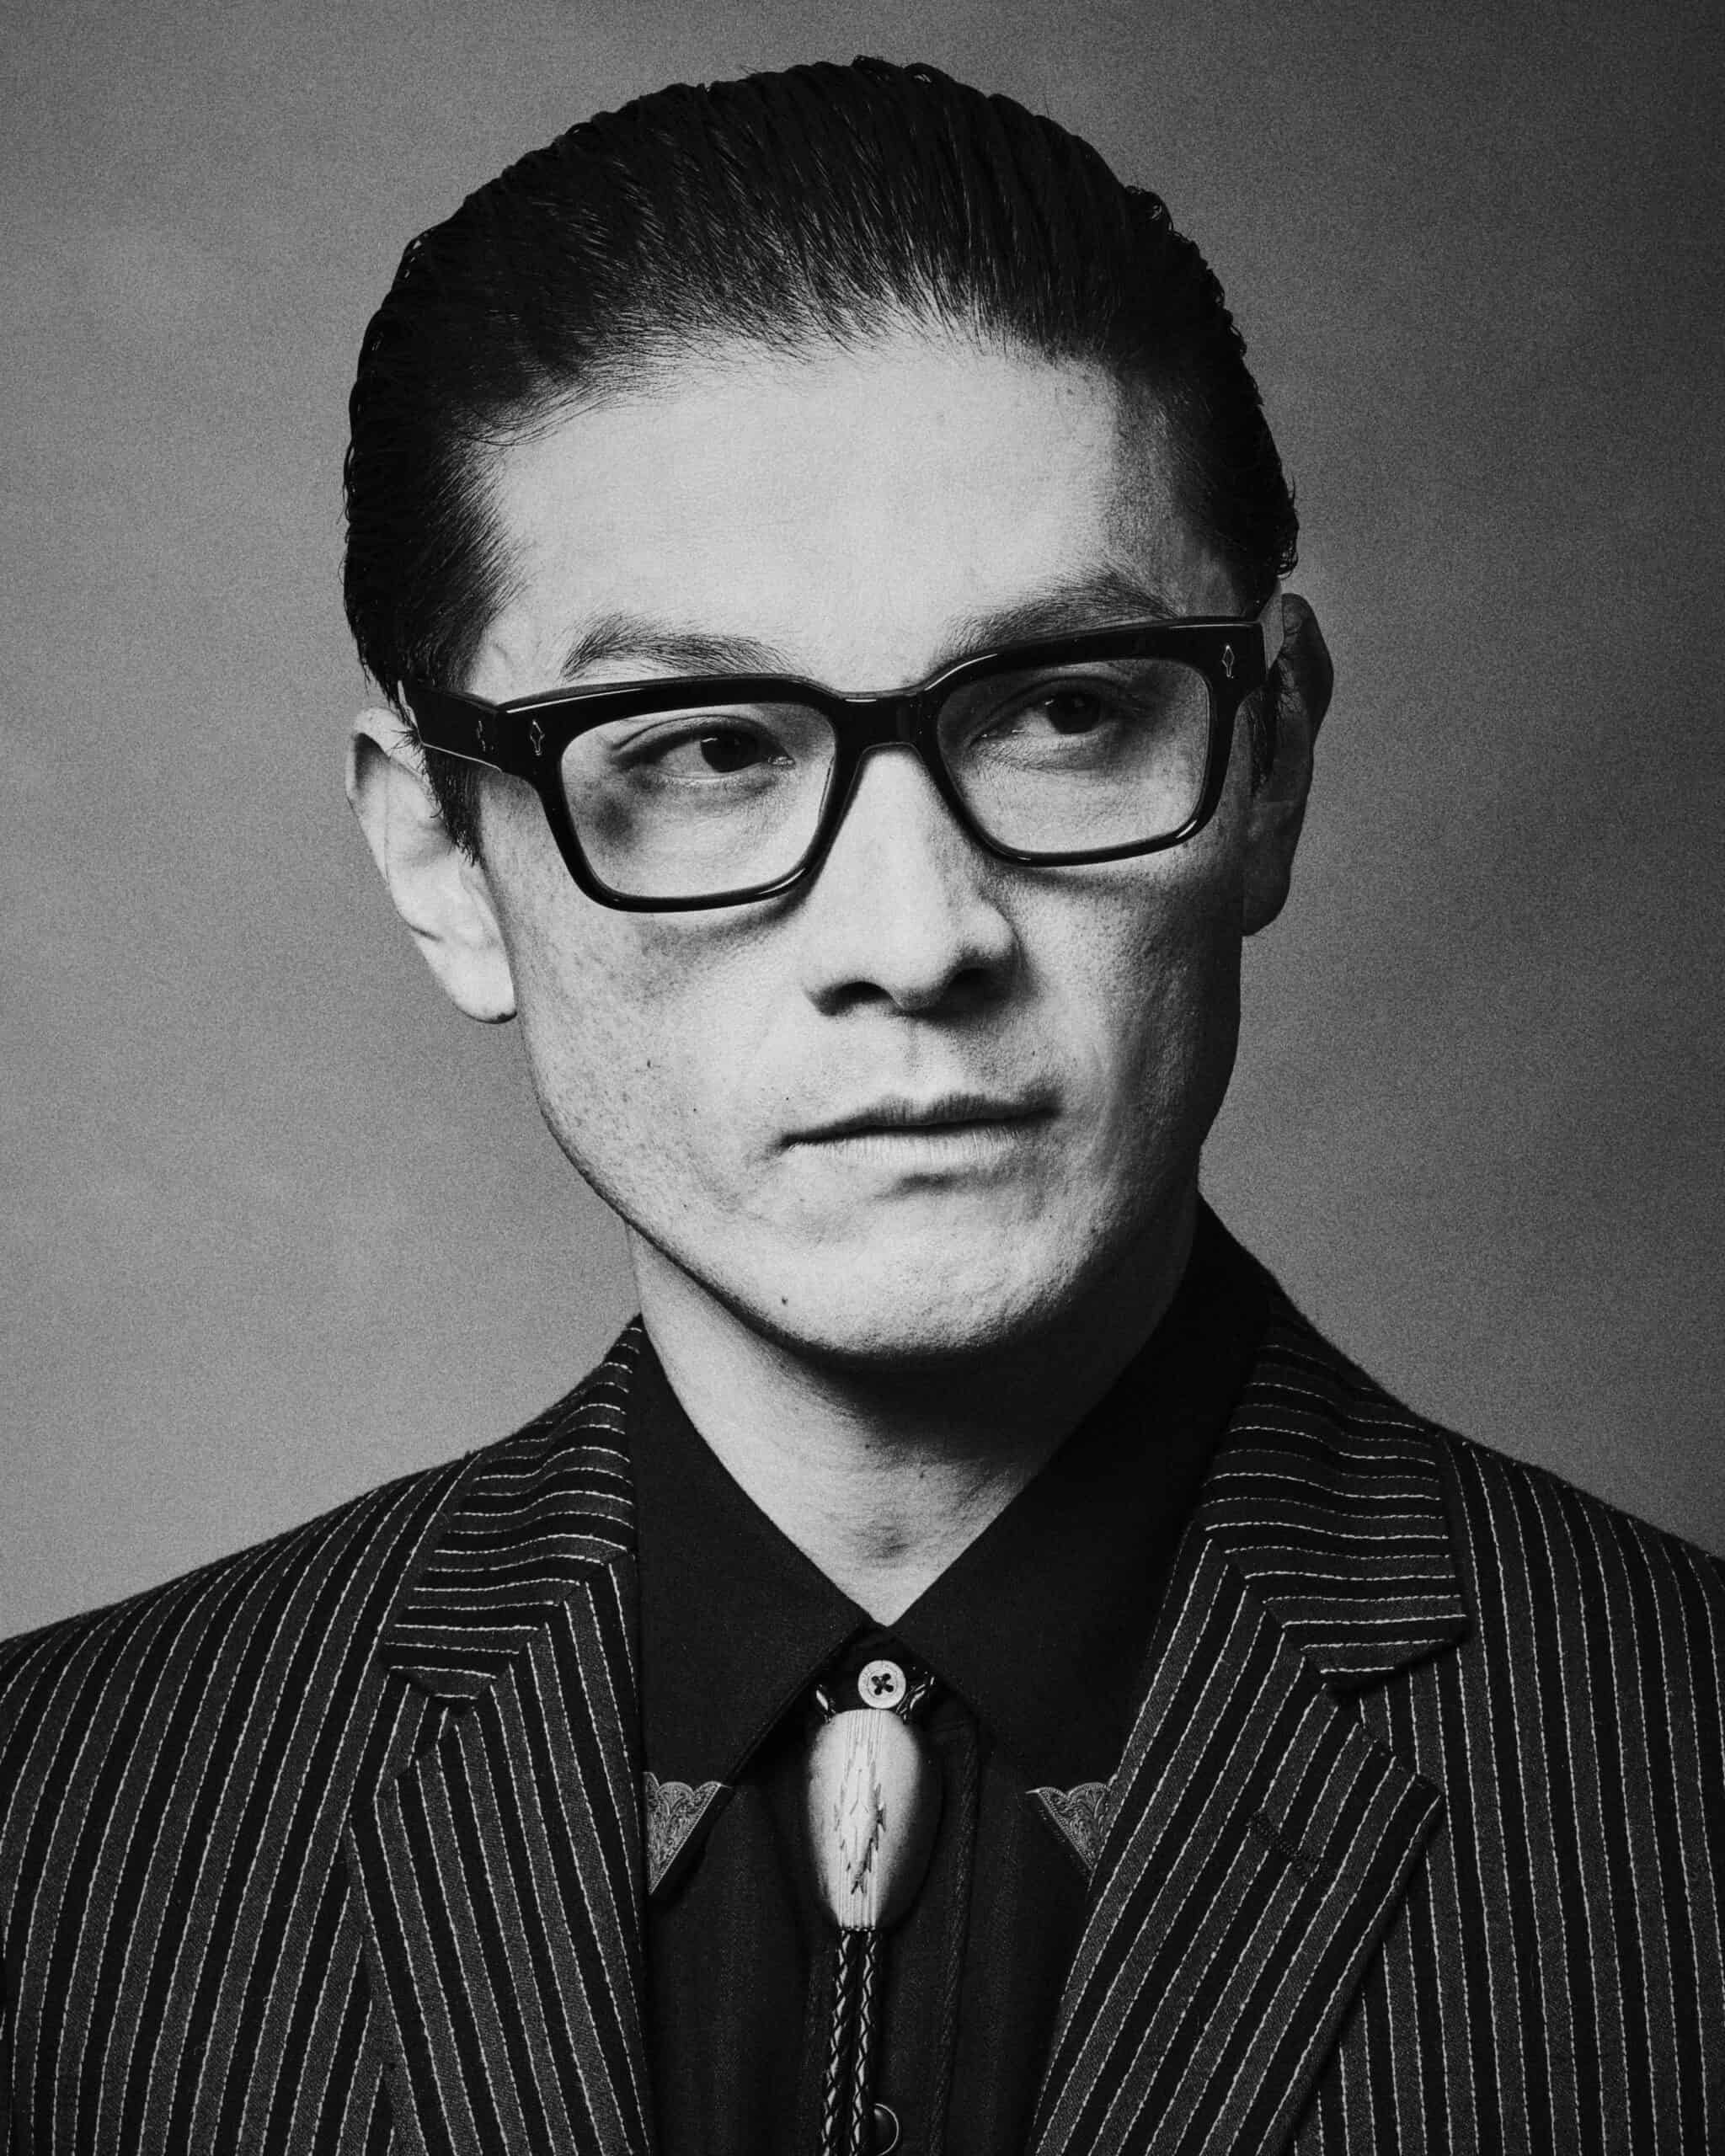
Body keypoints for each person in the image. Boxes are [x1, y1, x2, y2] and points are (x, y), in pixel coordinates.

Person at [2, 56, 1719, 2156]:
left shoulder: (1679, 1783)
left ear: (1267, 765)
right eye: (706, 746)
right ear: (442, 859)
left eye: (1065, 710)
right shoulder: (49, 1842)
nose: (915, 935)